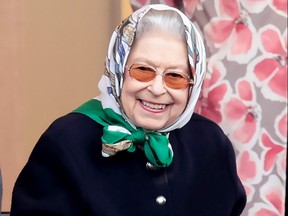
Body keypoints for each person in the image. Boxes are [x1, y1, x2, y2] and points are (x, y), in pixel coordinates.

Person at [10, 4, 246, 216]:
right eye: (143, 70)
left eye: (175, 76)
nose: (156, 88)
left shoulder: (210, 144)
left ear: (192, 85)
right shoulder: (66, 142)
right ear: (118, 70)